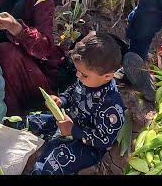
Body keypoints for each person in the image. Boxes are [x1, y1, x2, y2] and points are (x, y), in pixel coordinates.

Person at [20, 32, 126, 175]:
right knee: (33, 121)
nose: (78, 76)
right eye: (78, 71)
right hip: (70, 120)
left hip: (88, 145)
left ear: (107, 76)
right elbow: (71, 92)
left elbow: (104, 140)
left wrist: (73, 130)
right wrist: (61, 100)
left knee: (54, 161)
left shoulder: (112, 107)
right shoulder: (86, 80)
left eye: (83, 74)